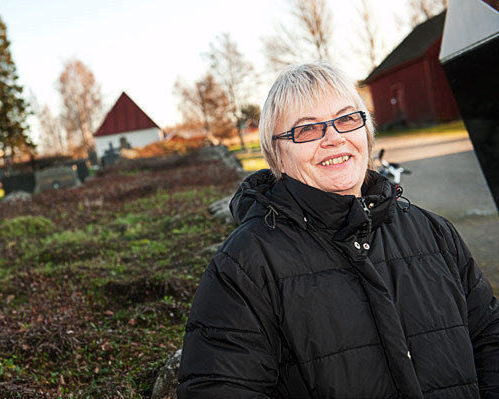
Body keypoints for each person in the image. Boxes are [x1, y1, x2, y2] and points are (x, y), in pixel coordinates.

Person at [177, 62, 499, 398]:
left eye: (346, 119)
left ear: (366, 132)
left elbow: (490, 336)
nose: (334, 137)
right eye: (306, 129)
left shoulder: (434, 233)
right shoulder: (245, 265)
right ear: (278, 156)